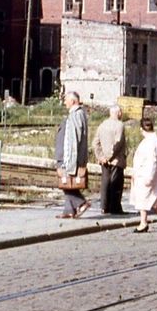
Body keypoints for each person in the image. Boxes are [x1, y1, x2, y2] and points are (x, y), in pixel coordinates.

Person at [129, 117, 157, 232]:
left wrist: (149, 176)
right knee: (151, 198)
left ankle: (143, 223)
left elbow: (152, 160)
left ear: (142, 129)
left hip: (146, 174)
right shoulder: (152, 139)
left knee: (142, 197)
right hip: (146, 173)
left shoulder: (151, 141)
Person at [55, 91, 90, 219]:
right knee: (67, 182)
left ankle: (81, 202)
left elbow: (73, 139)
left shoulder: (75, 115)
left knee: (65, 181)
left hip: (68, 157)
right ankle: (69, 210)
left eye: (66, 100)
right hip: (69, 156)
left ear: (73, 101)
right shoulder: (78, 114)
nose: (64, 103)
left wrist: (69, 160)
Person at [92, 104, 127, 215]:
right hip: (116, 160)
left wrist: (101, 157)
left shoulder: (102, 125)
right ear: (118, 113)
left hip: (104, 161)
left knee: (105, 182)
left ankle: (104, 206)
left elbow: (95, 143)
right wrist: (109, 157)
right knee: (116, 183)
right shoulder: (119, 125)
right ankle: (115, 207)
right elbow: (118, 143)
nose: (122, 114)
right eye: (121, 112)